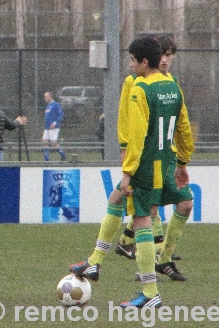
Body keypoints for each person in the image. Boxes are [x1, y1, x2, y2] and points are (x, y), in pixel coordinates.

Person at [70, 36, 193, 308]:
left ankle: (149, 293)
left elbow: (136, 135)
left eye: (132, 60)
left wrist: (128, 171)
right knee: (120, 203)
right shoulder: (173, 86)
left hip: (146, 165)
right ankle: (95, 263)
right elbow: (184, 126)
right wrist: (183, 162)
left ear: (143, 61)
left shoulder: (140, 88)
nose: (130, 65)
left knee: (141, 224)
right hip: (167, 161)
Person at [115, 36, 193, 282]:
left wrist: (182, 161)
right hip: (146, 159)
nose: (166, 60)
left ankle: (158, 257)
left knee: (180, 204)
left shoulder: (170, 84)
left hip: (165, 158)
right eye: (164, 54)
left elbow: (183, 125)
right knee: (146, 213)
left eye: (170, 55)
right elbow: (128, 122)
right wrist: (125, 150)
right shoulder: (135, 84)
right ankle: (144, 271)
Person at [42, 91, 66, 161]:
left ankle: (63, 155)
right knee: (44, 141)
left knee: (53, 142)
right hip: (47, 127)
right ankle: (46, 159)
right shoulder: (48, 106)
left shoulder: (55, 105)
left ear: (50, 97)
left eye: (46, 96)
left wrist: (55, 122)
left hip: (54, 128)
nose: (45, 98)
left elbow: (60, 115)